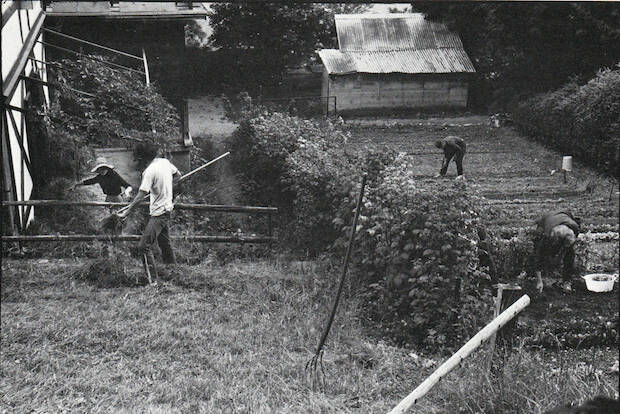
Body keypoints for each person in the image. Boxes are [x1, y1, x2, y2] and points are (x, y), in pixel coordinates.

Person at [118, 142, 181, 285]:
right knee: (165, 243)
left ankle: (153, 282)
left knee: (144, 246)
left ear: (142, 158)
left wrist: (126, 212)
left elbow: (140, 196)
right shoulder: (165, 163)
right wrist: (165, 188)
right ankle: (174, 272)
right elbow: (178, 176)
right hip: (167, 209)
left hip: (159, 213)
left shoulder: (149, 171)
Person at [533, 211, 581, 293]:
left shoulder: (575, 227)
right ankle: (541, 276)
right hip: (547, 218)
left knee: (570, 253)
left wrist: (564, 251)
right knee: (541, 250)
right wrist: (539, 281)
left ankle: (566, 281)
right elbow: (538, 256)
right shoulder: (546, 235)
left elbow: (570, 244)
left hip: (563, 215)